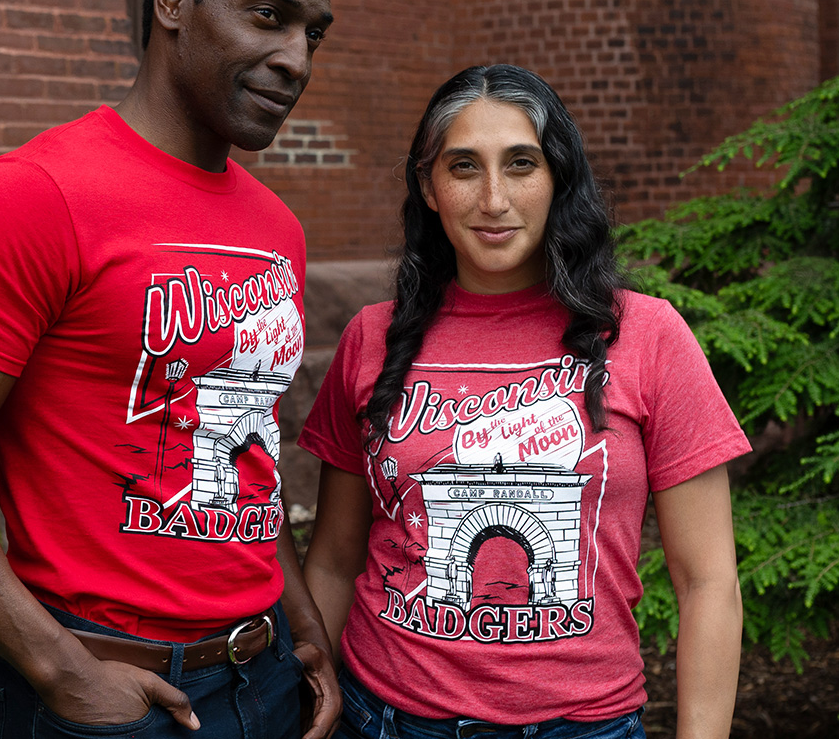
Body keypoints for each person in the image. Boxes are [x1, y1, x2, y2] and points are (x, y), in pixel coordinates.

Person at [0, 0, 339, 739]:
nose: (294, 58)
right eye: (269, 16)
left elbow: (242, 447)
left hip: (263, 682)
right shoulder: (36, 195)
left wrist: (300, 629)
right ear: (174, 1)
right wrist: (61, 672)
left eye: (313, 34)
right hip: (115, 695)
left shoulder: (276, 228)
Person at [299, 64, 748, 739]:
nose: (493, 199)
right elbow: (334, 557)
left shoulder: (647, 334)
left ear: (557, 177)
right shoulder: (373, 338)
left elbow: (707, 580)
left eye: (520, 164)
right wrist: (308, 702)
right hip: (387, 716)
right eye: (463, 168)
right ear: (428, 186)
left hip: (582, 723)